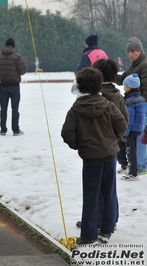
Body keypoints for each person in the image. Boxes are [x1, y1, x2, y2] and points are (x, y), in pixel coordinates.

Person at [61, 67, 127, 245]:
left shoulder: (76, 109)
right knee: (109, 191)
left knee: (92, 193)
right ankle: (107, 227)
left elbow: (67, 133)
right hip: (109, 155)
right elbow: (121, 124)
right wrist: (112, 140)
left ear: (80, 86)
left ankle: (89, 233)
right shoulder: (109, 105)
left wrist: (79, 145)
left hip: (91, 158)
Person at [75, 58, 128, 230]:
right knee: (109, 186)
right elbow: (124, 120)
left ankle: (94, 221)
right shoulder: (118, 96)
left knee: (95, 187)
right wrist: (114, 138)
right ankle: (110, 220)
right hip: (112, 146)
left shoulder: (96, 97)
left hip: (94, 147)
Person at [117, 37, 147, 174]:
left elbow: (146, 88)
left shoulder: (144, 64)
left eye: (133, 51)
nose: (130, 54)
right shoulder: (134, 64)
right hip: (138, 104)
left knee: (140, 135)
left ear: (139, 50)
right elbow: (124, 79)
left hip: (142, 105)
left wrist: (143, 106)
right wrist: (108, 75)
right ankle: (139, 163)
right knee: (138, 135)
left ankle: (141, 166)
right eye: (129, 51)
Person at [0, 38, 27, 136]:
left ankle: (3, 130)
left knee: (3, 109)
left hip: (3, 85)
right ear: (13, 46)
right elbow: (23, 71)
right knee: (15, 109)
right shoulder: (18, 57)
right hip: (14, 86)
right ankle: (15, 130)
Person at [117, 74, 147, 181]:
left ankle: (133, 173)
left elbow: (128, 121)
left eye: (125, 86)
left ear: (130, 87)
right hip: (139, 128)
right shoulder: (141, 99)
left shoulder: (129, 102)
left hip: (131, 131)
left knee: (130, 151)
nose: (124, 87)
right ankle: (125, 165)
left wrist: (125, 134)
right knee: (122, 146)